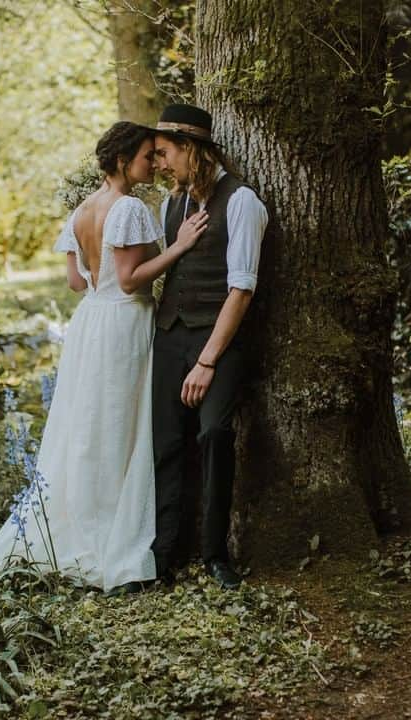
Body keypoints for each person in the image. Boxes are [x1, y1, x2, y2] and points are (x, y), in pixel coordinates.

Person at [0, 122, 209, 593]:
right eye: (148, 156)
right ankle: (111, 529)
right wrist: (182, 246)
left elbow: (74, 281)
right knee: (121, 426)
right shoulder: (127, 207)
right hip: (124, 321)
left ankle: (85, 516)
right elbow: (129, 280)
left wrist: (103, 285)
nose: (153, 163)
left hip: (91, 322)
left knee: (89, 426)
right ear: (124, 160)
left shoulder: (83, 209)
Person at [149, 104, 268, 590]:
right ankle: (163, 554)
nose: (159, 164)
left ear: (190, 149)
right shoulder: (170, 205)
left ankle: (215, 553)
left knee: (213, 434)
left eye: (165, 153)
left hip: (219, 342)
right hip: (171, 335)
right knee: (165, 443)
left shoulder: (241, 203)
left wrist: (206, 361)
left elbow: (241, 289)